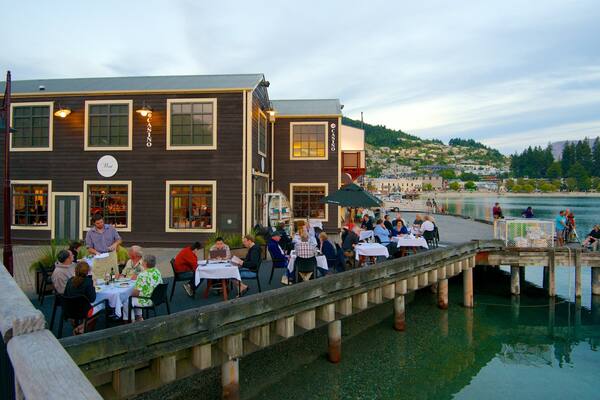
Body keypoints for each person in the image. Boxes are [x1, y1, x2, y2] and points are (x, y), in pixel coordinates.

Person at [64, 261, 100, 334]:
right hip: (83, 311)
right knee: (99, 307)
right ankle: (83, 328)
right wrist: (93, 286)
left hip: (70, 309)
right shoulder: (88, 282)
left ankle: (80, 327)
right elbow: (92, 299)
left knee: (85, 306)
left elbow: (65, 294)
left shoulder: (70, 280)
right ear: (87, 272)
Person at [85, 213, 122, 280]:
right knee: (99, 277)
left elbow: (119, 240)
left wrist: (115, 244)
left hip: (111, 255)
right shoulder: (90, 233)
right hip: (99, 256)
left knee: (113, 275)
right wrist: (96, 252)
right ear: (94, 223)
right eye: (98, 223)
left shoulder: (110, 228)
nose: (100, 224)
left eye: (102, 222)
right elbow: (89, 247)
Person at [127, 255, 163, 322]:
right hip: (158, 297)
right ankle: (139, 317)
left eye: (143, 260)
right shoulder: (157, 271)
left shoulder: (142, 275)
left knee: (127, 300)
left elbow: (136, 293)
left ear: (145, 263)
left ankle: (131, 322)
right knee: (138, 295)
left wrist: (127, 293)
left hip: (148, 300)